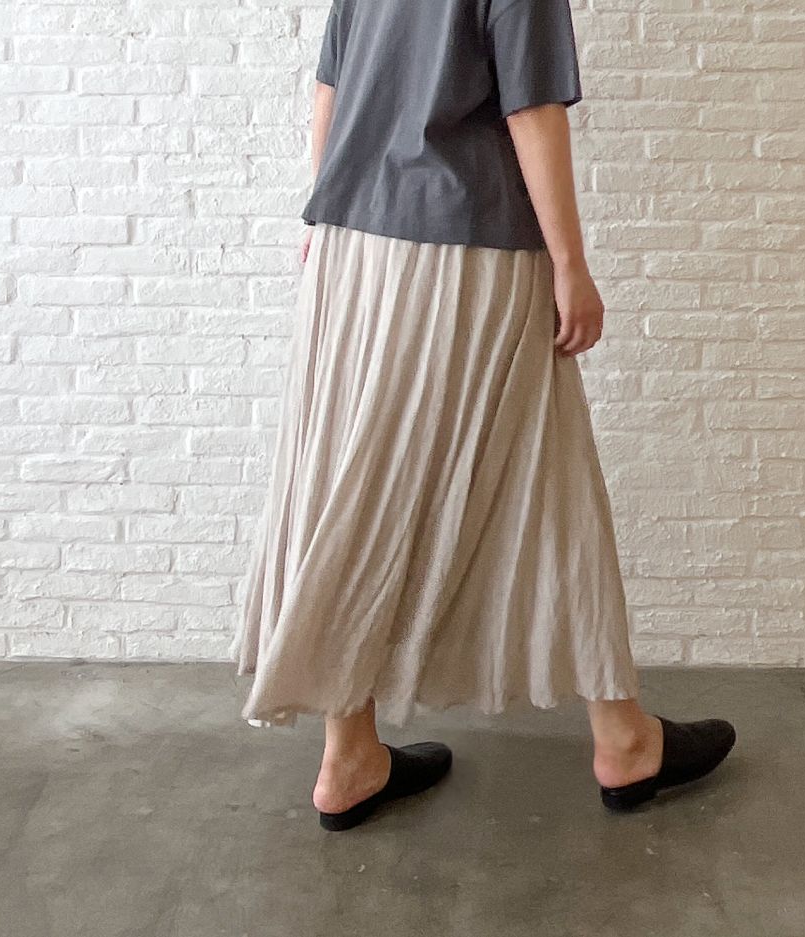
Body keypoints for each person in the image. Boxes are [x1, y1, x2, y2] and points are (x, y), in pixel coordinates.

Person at [231, 0, 736, 832]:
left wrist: (325, 211)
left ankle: (354, 752)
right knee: (533, 474)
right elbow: (531, 109)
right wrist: (571, 265)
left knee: (360, 476)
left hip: (349, 246)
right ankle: (621, 739)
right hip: (467, 248)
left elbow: (330, 90)